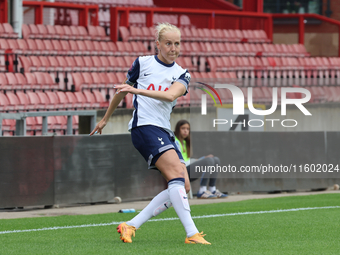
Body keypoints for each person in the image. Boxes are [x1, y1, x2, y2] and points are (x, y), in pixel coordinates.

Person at [90, 22, 210, 245]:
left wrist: (135, 90)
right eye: (168, 43)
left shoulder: (182, 74)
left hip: (163, 129)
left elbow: (170, 96)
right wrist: (105, 118)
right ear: (158, 44)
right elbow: (122, 90)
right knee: (176, 175)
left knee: (182, 184)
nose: (173, 48)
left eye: (177, 43)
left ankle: (131, 225)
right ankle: (192, 234)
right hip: (144, 127)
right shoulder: (142, 63)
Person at [174, 120, 228, 199]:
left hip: (187, 168)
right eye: (183, 128)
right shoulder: (175, 141)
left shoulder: (184, 143)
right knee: (209, 160)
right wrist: (202, 160)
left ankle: (212, 189)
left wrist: (202, 159)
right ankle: (202, 191)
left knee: (216, 160)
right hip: (182, 172)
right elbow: (179, 161)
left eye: (188, 129)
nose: (186, 131)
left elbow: (188, 160)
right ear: (177, 129)